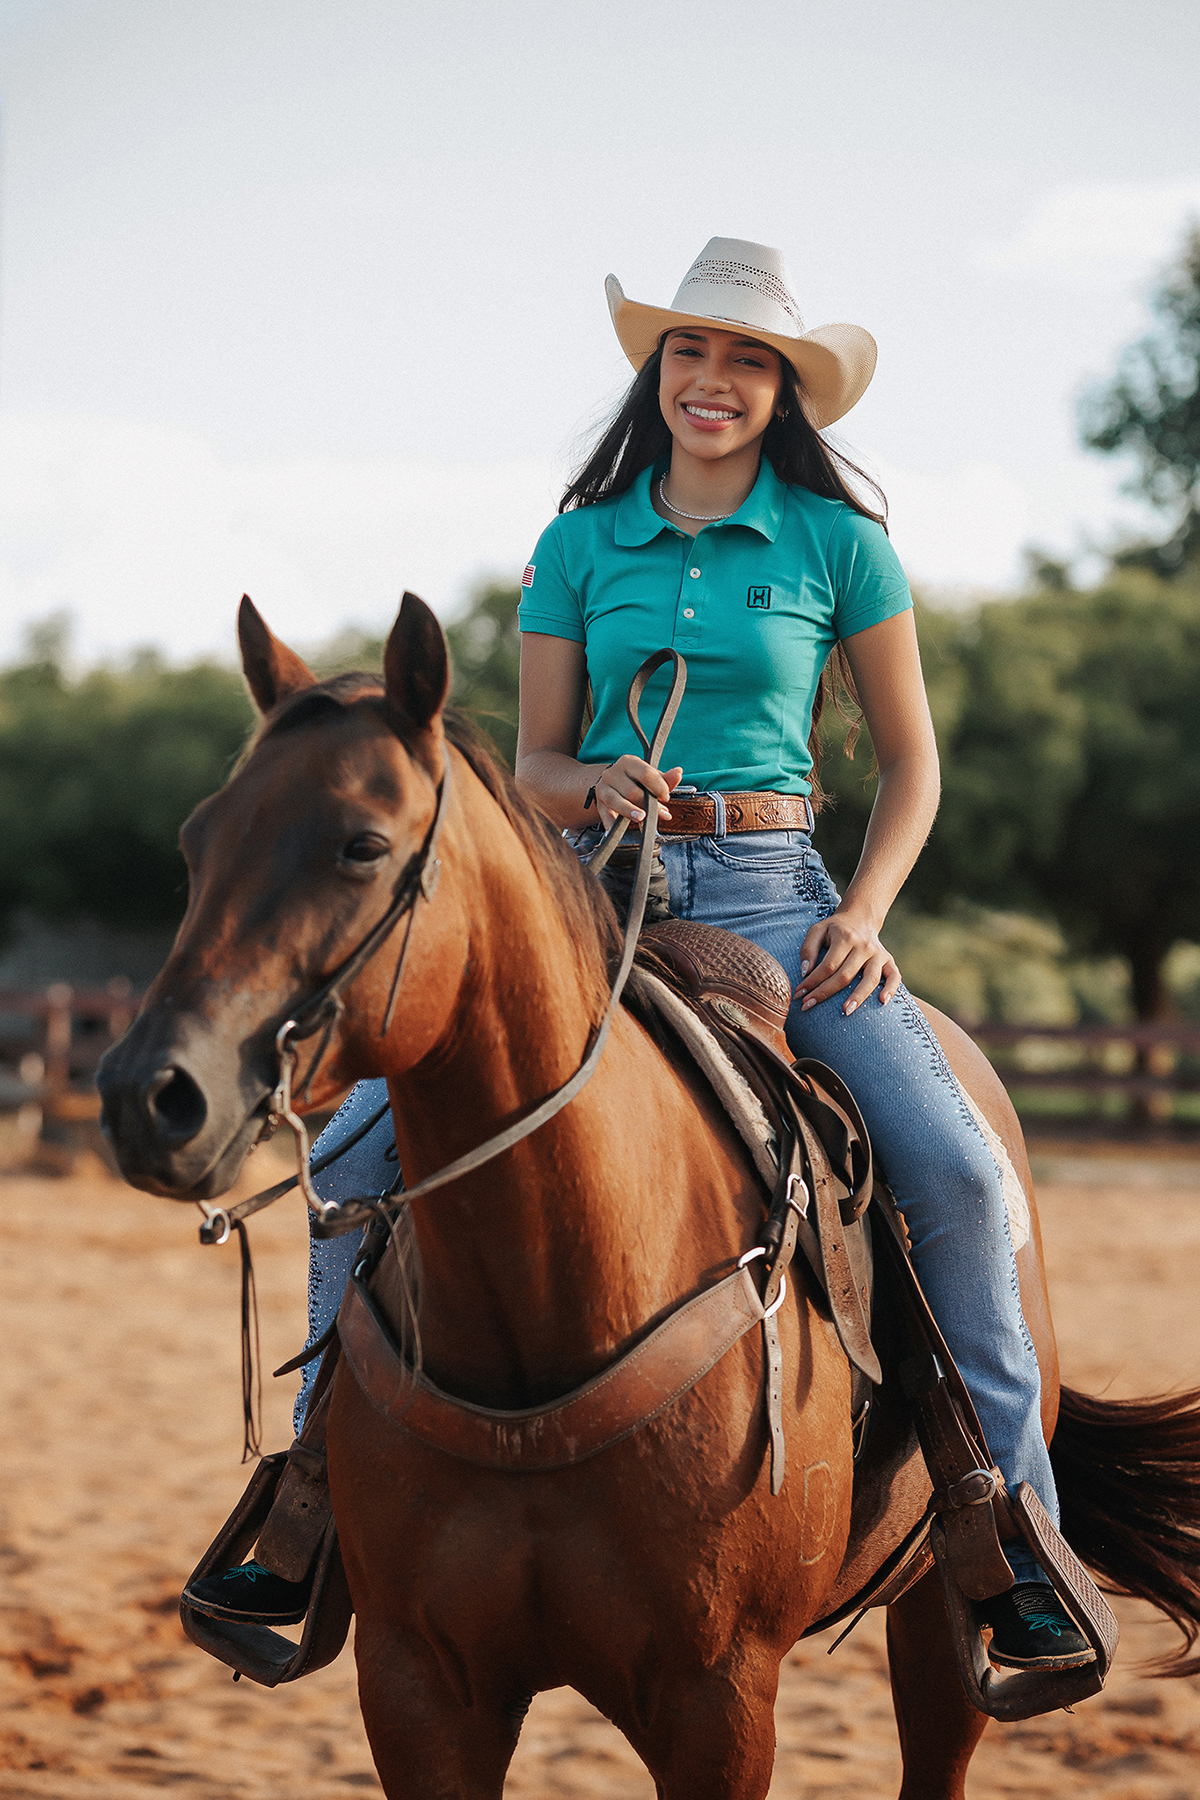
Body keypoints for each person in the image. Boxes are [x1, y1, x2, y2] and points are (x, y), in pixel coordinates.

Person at [189, 237, 1089, 1672]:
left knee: (965, 1174)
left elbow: (914, 766)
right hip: (590, 896)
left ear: (783, 390)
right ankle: (308, 1502)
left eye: (745, 359)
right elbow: (533, 763)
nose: (711, 380)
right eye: (689, 350)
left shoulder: (839, 545)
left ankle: (1011, 1527)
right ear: (656, 370)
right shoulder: (577, 545)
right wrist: (588, 781)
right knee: (352, 1157)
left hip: (779, 901)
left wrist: (863, 916)